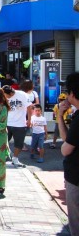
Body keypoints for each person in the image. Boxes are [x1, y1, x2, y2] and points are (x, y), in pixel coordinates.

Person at [57, 72, 79, 236]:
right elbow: (67, 138)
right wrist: (60, 115)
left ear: (72, 94)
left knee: (76, 223)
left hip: (76, 178)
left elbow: (65, 149)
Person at [1, 85, 33, 167]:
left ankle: (15, 158)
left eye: (6, 95)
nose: (5, 97)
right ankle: (2, 157)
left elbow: (29, 107)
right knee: (2, 141)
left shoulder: (22, 95)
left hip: (20, 124)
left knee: (19, 144)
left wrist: (29, 120)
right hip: (7, 123)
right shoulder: (3, 97)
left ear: (11, 93)